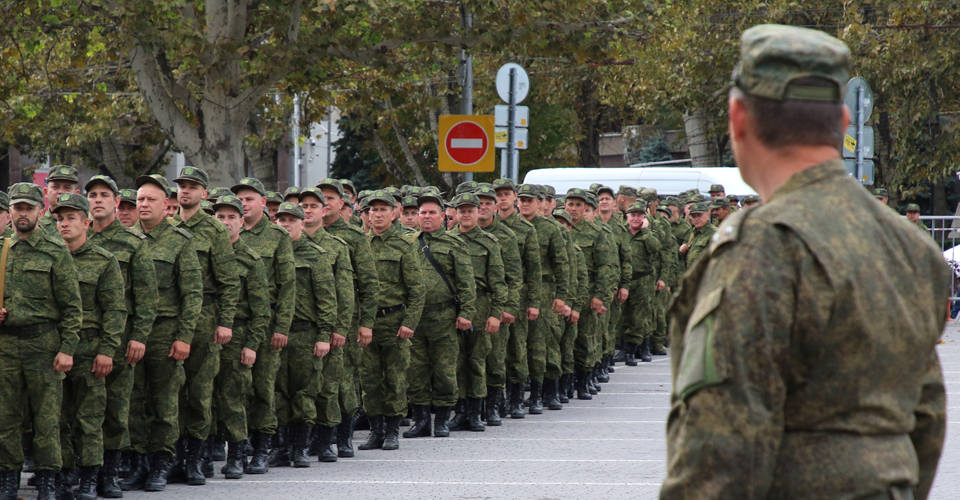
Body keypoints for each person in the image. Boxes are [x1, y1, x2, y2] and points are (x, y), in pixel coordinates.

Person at [662, 25, 951, 500]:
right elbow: (925, 420)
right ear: (841, 121)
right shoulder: (911, 246)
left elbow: (719, 455)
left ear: (738, 117)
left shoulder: (765, 246)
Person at [0, 183, 83, 500]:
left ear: (40, 211)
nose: (23, 213)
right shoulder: (3, 249)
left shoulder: (54, 250)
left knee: (47, 419)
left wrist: (67, 349)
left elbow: (72, 307)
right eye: (18, 207)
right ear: (10, 212)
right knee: (6, 418)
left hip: (43, 344)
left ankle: (48, 479)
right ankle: (8, 478)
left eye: (29, 208)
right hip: (7, 346)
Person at [125, 174, 203, 492]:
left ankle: (161, 461)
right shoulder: (124, 239)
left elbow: (193, 294)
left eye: (150, 199)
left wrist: (184, 337)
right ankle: (138, 462)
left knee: (164, 400)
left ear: (167, 205)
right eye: (140, 199)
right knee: (132, 400)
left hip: (165, 331)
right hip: (130, 332)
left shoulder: (180, 242)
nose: (143, 205)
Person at [85, 175, 159, 497]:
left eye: (105, 195)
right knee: (80, 409)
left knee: (116, 409)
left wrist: (139, 336)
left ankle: (110, 474)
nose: (98, 200)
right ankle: (84, 471)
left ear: (117, 202)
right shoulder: (74, 239)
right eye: (92, 195)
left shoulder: (134, 243)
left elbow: (146, 297)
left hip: (119, 339)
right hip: (80, 340)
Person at [52, 193, 126, 500]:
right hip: (52, 350)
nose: (64, 224)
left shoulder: (104, 261)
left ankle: (90, 477)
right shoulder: (50, 257)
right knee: (57, 418)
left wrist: (107, 350)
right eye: (59, 219)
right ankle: (64, 474)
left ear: (86, 223)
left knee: (90, 419)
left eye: (71, 218)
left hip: (89, 350)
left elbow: (115, 309)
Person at [172, 166, 241, 485]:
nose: (185, 191)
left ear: (204, 194)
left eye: (192, 187)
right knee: (171, 392)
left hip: (205, 319)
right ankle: (173, 455)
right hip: (173, 319)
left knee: (200, 393)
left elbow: (228, 282)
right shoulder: (168, 227)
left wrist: (225, 322)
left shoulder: (214, 230)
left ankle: (197, 459)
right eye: (181, 186)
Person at [232, 177, 296, 474]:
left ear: (262, 202)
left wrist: (281, 327)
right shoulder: (227, 232)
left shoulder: (277, 236)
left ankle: (262, 449)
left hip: (266, 325)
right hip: (233, 324)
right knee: (234, 389)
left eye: (249, 199)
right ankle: (238, 447)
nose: (244, 204)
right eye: (240, 199)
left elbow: (287, 286)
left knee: (262, 388)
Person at [404, 194, 477, 438]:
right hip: (415, 318)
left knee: (446, 370)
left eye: (432, 212)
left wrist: (466, 313)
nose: (426, 217)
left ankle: (444, 418)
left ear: (443, 217)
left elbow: (467, 284)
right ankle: (421, 420)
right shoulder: (409, 243)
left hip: (443, 317)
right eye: (422, 212)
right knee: (416, 371)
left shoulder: (454, 244)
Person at [358, 191, 424, 451]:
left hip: (394, 321)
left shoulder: (404, 245)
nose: (377, 214)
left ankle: (393, 431)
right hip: (366, 323)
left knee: (395, 378)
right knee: (369, 379)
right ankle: (375, 430)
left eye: (383, 209)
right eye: (372, 210)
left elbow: (417, 290)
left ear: (393, 213)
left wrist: (409, 323)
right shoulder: (360, 243)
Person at [211, 195, 270, 479]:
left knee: (233, 396)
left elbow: (261, 310)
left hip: (238, 334)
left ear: (241, 221)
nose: (225, 222)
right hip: (205, 334)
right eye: (220, 217)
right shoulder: (202, 253)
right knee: (202, 397)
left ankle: (236, 455)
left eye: (231, 217)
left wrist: (251, 345)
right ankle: (201, 454)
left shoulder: (251, 259)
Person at [321, 178, 380, 458]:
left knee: (344, 380)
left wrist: (366, 323)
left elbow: (369, 284)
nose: (324, 204)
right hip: (313, 320)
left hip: (347, 319)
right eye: (319, 199)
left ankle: (343, 437)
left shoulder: (354, 237)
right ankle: (317, 437)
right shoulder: (301, 234)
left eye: (330, 198)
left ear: (341, 204)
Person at [299, 186, 355, 463]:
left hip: (327, 329)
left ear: (324, 211)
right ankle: (298, 442)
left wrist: (339, 329)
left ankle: (327, 441)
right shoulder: (287, 243)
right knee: (299, 387)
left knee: (329, 387)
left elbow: (345, 293)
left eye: (313, 206)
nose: (308, 210)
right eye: (303, 206)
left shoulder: (336, 246)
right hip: (295, 329)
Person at [450, 193, 507, 432]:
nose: (465, 214)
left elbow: (499, 282)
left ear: (478, 212)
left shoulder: (489, 242)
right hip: (452, 306)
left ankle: (476, 411)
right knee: (455, 360)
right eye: (461, 210)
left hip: (481, 306)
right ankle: (459, 410)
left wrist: (495, 313)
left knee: (477, 359)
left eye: (470, 210)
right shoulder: (446, 240)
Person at [517, 184, 571, 412]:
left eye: (531, 200)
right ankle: (518, 394)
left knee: (542, 345)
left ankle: (544, 393)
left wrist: (562, 296)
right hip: (518, 291)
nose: (526, 204)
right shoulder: (511, 227)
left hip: (544, 291)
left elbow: (562, 264)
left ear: (540, 203)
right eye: (522, 200)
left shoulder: (551, 228)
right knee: (519, 346)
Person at [491, 179, 542, 413]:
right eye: (498, 195)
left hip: (517, 297)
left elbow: (533, 270)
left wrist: (532, 302)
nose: (502, 198)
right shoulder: (485, 226)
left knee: (516, 348)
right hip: (491, 298)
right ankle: (496, 398)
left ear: (514, 198)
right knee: (492, 350)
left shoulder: (525, 229)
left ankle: (516, 398)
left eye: (506, 194)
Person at [564, 189, 615, 400]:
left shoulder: (596, 233)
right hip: (565, 292)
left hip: (588, 292)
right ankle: (565, 383)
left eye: (578, 205)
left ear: (586, 208)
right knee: (564, 340)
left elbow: (604, 266)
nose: (574, 209)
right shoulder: (561, 230)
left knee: (585, 338)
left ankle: (584, 381)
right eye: (570, 204)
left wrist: (599, 295)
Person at [621, 201, 660, 364]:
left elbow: (655, 248)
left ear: (644, 217)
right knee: (622, 317)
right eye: (633, 215)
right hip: (624, 280)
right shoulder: (621, 232)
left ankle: (632, 351)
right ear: (627, 216)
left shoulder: (649, 232)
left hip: (642, 279)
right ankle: (623, 349)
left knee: (639, 317)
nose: (636, 218)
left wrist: (645, 231)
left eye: (639, 215)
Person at [678, 202, 715, 266]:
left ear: (708, 216)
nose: (696, 219)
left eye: (699, 215)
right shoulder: (693, 233)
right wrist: (683, 251)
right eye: (693, 216)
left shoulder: (714, 233)